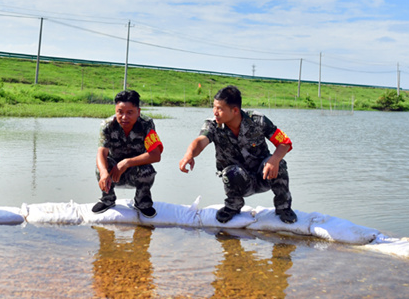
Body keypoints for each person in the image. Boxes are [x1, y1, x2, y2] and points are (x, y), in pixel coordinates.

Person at [179, 85, 297, 224]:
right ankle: (233, 206)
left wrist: (274, 160)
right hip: (238, 181)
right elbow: (200, 141)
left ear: (235, 110)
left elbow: (284, 142)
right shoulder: (213, 125)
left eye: (220, 109)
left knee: (280, 163)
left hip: (263, 175)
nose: (215, 112)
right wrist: (189, 154)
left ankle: (283, 208)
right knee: (230, 172)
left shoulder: (257, 121)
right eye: (214, 107)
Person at [93, 90, 163, 218]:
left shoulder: (147, 124)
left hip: (136, 169)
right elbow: (101, 151)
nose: (124, 117)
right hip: (114, 171)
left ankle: (142, 202)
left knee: (147, 169)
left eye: (130, 112)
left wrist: (126, 163)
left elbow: (155, 155)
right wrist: (103, 172)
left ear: (138, 112)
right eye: (120, 112)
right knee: (102, 166)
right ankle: (107, 199)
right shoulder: (107, 125)